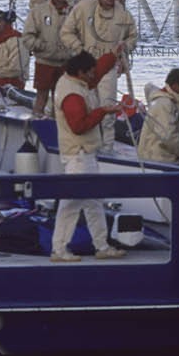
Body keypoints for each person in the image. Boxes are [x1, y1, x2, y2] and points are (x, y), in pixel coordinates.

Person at [51, 51, 127, 263]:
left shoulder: (77, 82)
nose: (95, 76)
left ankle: (101, 246)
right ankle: (59, 249)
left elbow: (98, 70)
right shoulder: (72, 95)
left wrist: (114, 54)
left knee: (93, 202)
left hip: (84, 154)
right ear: (81, 72)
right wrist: (103, 111)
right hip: (79, 154)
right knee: (71, 204)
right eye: (90, 72)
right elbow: (79, 126)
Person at [60, 0, 136, 107]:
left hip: (109, 67)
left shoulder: (124, 13)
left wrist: (124, 49)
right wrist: (79, 48)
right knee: (87, 105)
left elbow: (133, 36)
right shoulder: (83, 8)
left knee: (108, 107)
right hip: (84, 67)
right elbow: (66, 32)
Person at [24, 0, 72, 117]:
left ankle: (60, 125)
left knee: (63, 99)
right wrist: (43, 46)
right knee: (42, 97)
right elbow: (27, 37)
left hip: (67, 63)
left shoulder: (74, 12)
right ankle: (36, 122)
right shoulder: (38, 12)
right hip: (45, 62)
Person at [138, 68, 179, 163]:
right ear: (175, 85)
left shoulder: (171, 103)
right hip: (157, 158)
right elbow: (168, 135)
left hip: (161, 157)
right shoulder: (165, 104)